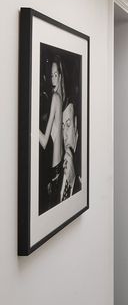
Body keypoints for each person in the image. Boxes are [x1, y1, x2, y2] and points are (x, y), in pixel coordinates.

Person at [39, 55, 65, 213]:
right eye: (51, 75)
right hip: (59, 163)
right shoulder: (60, 98)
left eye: (56, 75)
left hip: (54, 169)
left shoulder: (55, 98)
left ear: (60, 76)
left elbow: (43, 141)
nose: (53, 78)